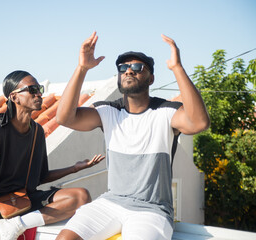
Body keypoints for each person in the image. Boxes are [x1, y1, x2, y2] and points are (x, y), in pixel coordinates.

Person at [55, 32, 210, 240]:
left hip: (151, 210)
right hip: (111, 203)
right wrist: (82, 68)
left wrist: (177, 68)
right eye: (123, 68)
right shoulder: (107, 111)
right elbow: (64, 118)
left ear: (151, 78)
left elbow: (199, 122)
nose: (129, 71)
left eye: (137, 68)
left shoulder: (166, 112)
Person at [0, 70, 105, 240]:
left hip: (24, 198)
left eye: (39, 89)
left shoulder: (37, 131)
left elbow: (42, 176)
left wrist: (75, 168)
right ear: (14, 97)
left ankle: (17, 224)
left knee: (80, 196)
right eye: (32, 90)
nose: (39, 93)